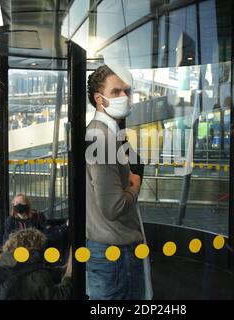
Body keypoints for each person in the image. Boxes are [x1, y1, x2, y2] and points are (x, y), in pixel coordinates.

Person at [85, 65, 145, 300]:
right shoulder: (102, 138)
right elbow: (112, 207)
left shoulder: (108, 135)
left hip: (110, 250)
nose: (125, 97)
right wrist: (135, 186)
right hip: (115, 253)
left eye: (127, 91)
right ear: (99, 99)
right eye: (116, 91)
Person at [0, 228, 73, 300]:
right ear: (35, 249)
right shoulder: (36, 275)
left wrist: (63, 268)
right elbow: (60, 296)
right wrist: (68, 275)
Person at [3, 193, 69, 254]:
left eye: (21, 202)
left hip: (36, 254)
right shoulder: (10, 220)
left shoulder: (38, 217)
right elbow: (7, 240)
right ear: (13, 205)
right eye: (16, 202)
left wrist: (65, 226)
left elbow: (49, 232)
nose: (18, 205)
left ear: (27, 204)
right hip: (18, 254)